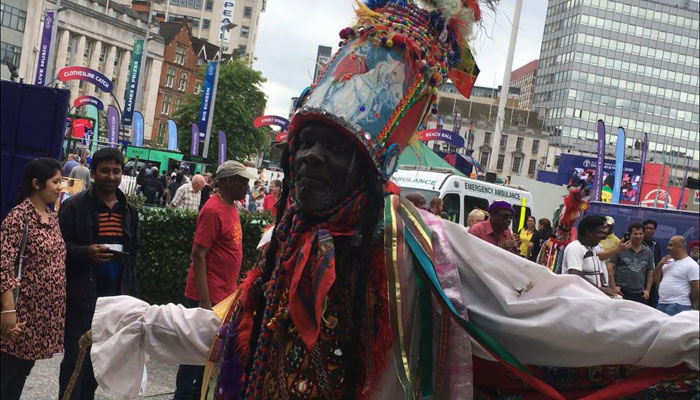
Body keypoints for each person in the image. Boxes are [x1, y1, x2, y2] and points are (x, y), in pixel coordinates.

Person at [86, 2, 699, 399]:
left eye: (333, 147)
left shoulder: (421, 246)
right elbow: (233, 329)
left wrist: (680, 336)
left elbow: (544, 307)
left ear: (368, 166)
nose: (309, 158)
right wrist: (140, 322)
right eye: (304, 144)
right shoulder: (284, 244)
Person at [57, 147, 140, 400]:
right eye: (105, 171)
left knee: (98, 361)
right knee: (75, 360)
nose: (111, 176)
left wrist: (132, 298)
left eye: (116, 171)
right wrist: (86, 252)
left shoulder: (129, 211)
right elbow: (58, 248)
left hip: (114, 300)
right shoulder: (74, 207)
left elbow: (133, 257)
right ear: (93, 173)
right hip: (82, 298)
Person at [173, 161, 254, 399]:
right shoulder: (212, 210)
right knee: (193, 359)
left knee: (207, 361)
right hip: (207, 298)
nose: (247, 186)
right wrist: (205, 301)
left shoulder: (231, 206)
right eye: (243, 181)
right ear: (228, 182)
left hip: (222, 297)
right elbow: (198, 255)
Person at [1, 158, 65, 399]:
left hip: (39, 319)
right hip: (19, 313)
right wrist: (8, 311)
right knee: (6, 374)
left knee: (20, 375)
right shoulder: (19, 217)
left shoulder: (51, 217)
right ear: (37, 183)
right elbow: (3, 264)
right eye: (55, 182)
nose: (59, 187)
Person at [561, 215, 613, 295]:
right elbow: (575, 275)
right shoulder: (575, 247)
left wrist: (604, 288)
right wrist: (599, 290)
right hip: (577, 297)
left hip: (591, 296)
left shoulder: (592, 249)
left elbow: (599, 273)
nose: (602, 236)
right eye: (599, 232)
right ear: (588, 232)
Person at [607, 223, 655, 304]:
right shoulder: (621, 248)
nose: (638, 236)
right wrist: (613, 287)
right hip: (621, 291)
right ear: (630, 235)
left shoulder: (648, 252)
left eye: (640, 234)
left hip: (640, 293)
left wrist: (647, 290)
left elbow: (650, 271)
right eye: (635, 234)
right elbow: (610, 267)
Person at [654, 236, 699, 315]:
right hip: (661, 303)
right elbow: (656, 280)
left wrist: (690, 302)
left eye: (671, 245)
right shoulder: (667, 262)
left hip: (679, 305)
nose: (668, 248)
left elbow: (696, 288)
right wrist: (659, 265)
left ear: (679, 247)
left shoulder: (692, 264)